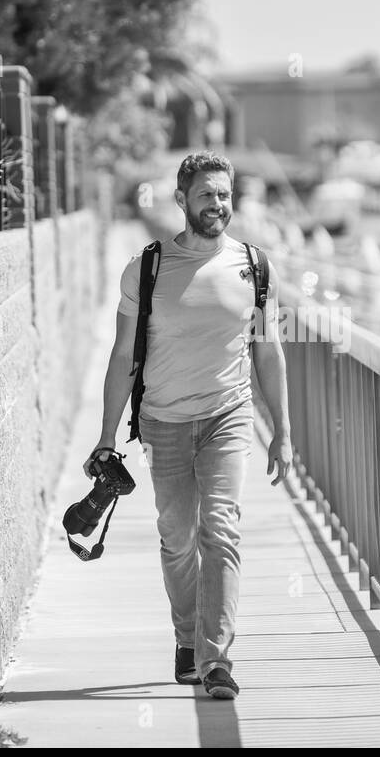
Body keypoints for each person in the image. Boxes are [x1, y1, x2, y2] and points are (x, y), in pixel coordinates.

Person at [84, 151, 292, 700]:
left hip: (228, 416)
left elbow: (267, 352)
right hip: (164, 422)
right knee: (177, 538)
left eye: (224, 195)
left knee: (220, 529)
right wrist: (107, 437)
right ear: (182, 201)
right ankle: (186, 637)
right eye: (206, 195)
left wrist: (285, 433)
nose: (217, 204)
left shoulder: (255, 265)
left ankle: (216, 659)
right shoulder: (147, 268)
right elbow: (123, 353)